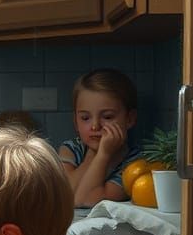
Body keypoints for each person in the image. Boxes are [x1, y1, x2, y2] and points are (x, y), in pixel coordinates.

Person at [58, 68, 141, 206]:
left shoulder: (135, 163)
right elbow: (64, 195)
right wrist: (92, 154)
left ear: (130, 119)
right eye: (85, 118)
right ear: (75, 122)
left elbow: (85, 200)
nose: (95, 126)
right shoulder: (71, 149)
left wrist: (103, 155)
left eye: (107, 116)